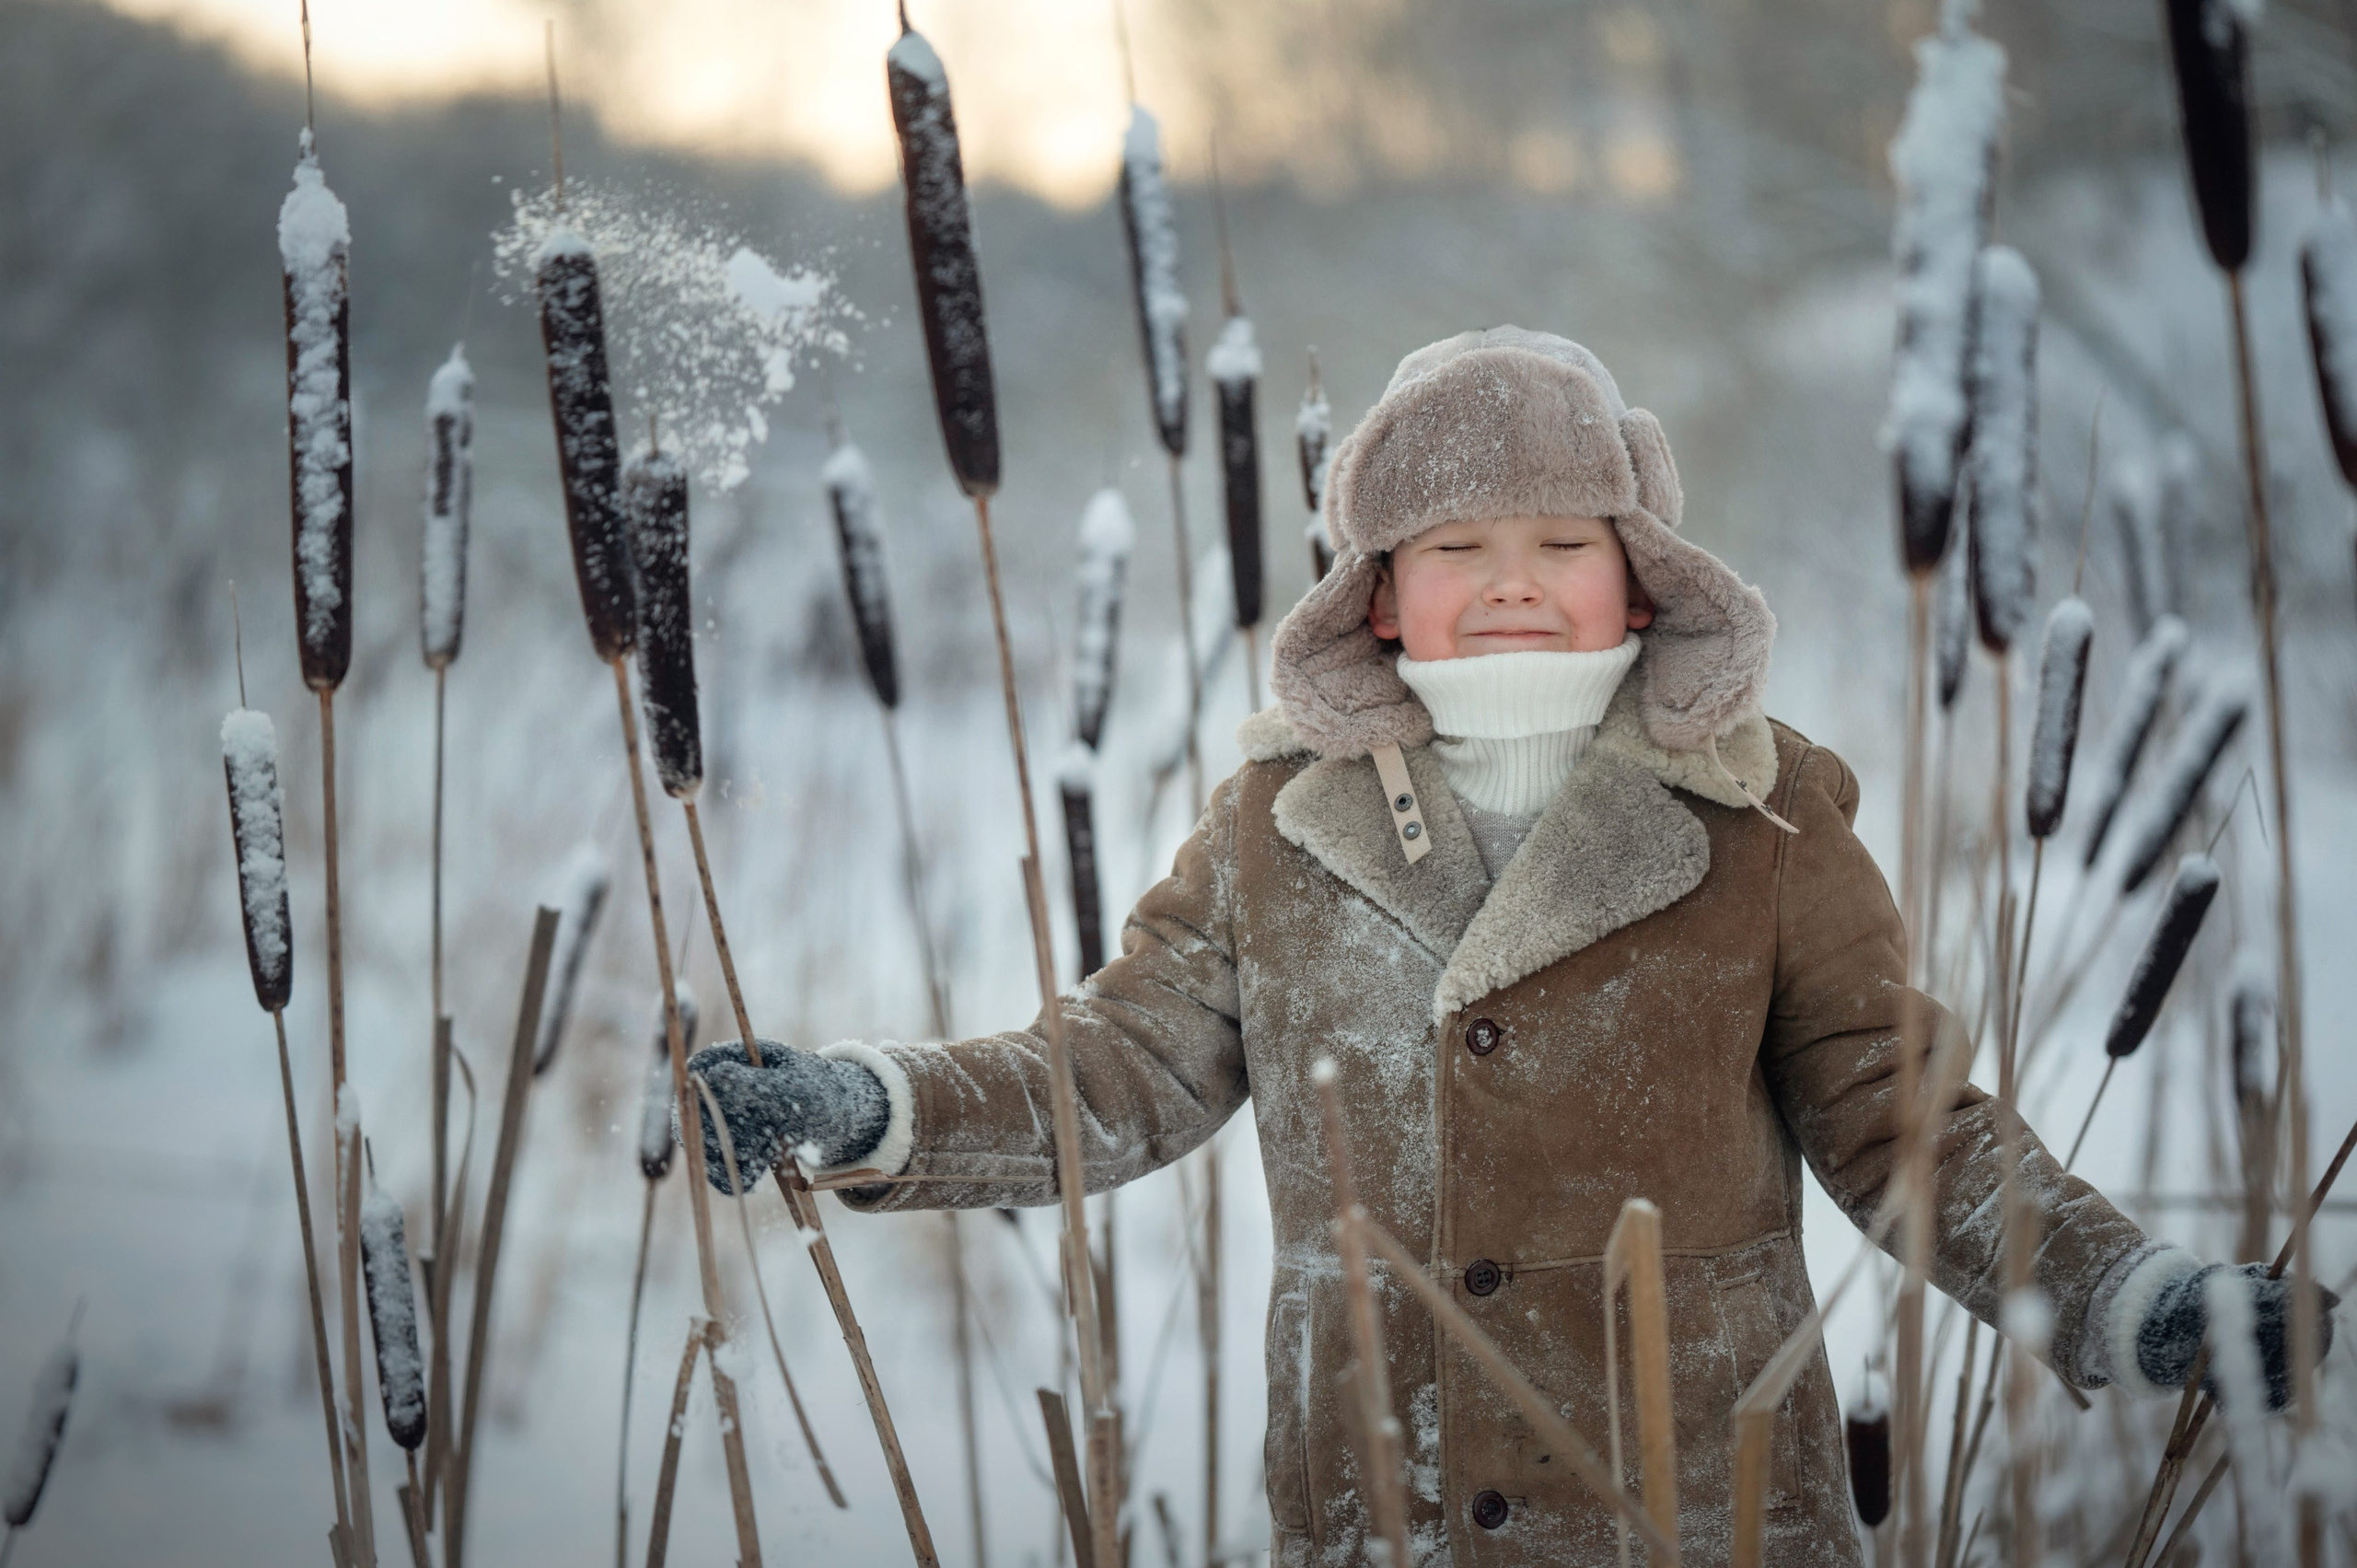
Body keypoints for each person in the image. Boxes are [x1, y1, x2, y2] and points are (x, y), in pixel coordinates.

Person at [685, 329, 2333, 1566]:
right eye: (1458, 552)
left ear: (1639, 582)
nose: (1515, 586)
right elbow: (1119, 1070)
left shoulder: (1764, 813)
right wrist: (866, 1104)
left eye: (1563, 546)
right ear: (1382, 597)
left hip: (1694, 1497)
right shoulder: (1279, 819)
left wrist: (2136, 1297)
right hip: (1380, 1491)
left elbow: (1906, 1127)